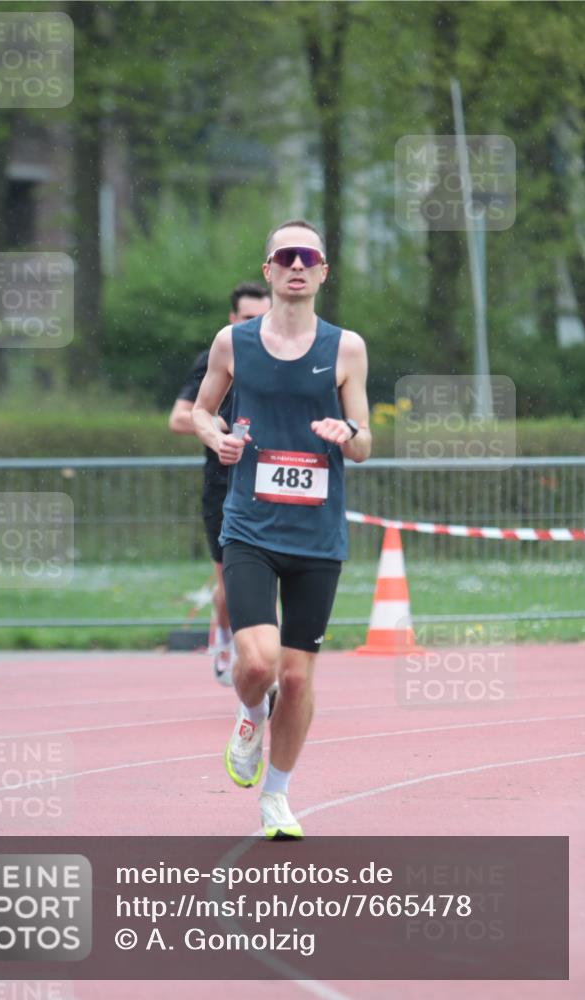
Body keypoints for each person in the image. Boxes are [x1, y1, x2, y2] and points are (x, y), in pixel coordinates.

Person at [192, 220, 371, 839]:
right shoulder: (233, 342)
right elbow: (202, 411)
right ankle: (249, 713)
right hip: (250, 527)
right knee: (260, 663)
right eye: (286, 256)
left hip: (317, 536)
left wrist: (348, 433)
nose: (297, 265)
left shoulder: (346, 348)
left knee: (296, 678)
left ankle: (276, 796)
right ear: (268, 270)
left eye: (308, 257)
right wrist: (216, 437)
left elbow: (365, 441)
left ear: (323, 272)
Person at [169, 283, 270, 685]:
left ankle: (262, 656)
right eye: (247, 318)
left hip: (270, 481)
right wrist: (218, 426)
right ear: (232, 319)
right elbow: (180, 418)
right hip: (224, 485)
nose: (255, 325)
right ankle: (225, 638)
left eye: (262, 317)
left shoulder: (289, 356)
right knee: (231, 581)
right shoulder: (219, 355)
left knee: (273, 576)